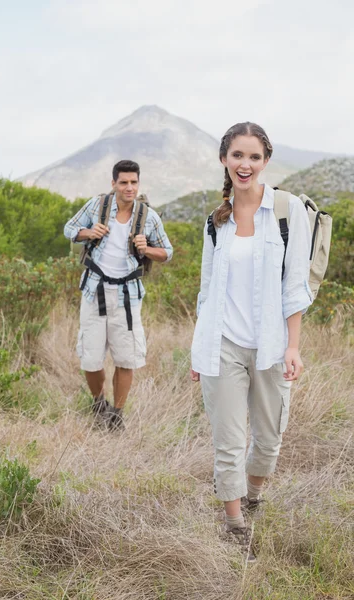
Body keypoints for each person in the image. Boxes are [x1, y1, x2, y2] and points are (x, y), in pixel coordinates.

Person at [190, 122, 312, 560]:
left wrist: (293, 346)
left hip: (272, 344)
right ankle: (234, 522)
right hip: (221, 344)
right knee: (228, 439)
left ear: (265, 161)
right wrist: (199, 348)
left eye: (254, 157)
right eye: (237, 155)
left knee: (269, 436)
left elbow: (296, 282)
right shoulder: (215, 220)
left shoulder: (286, 209)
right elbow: (206, 289)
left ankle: (254, 493)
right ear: (224, 159)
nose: (245, 164)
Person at [64, 159, 173, 430]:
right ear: (113, 184)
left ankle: (116, 416)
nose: (129, 187)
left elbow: (167, 253)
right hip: (94, 292)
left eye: (134, 182)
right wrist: (88, 232)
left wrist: (146, 249)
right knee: (90, 359)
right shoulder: (97, 206)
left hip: (127, 297)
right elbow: (69, 228)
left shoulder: (148, 216)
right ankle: (98, 402)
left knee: (126, 360)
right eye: (123, 182)